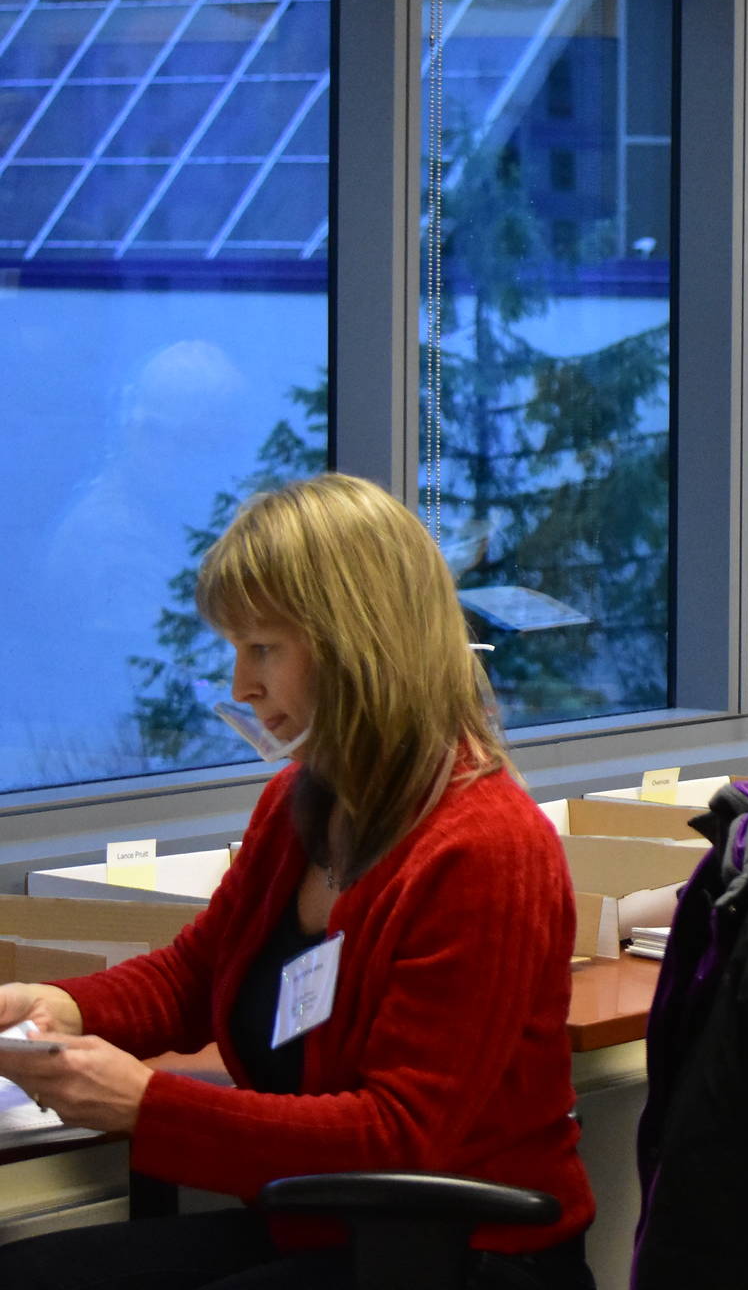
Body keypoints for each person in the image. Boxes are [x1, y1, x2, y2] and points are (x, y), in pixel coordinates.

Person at [0, 473, 595, 1290]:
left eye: (263, 649)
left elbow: (400, 1135)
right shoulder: (300, 802)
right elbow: (196, 973)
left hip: (463, 1257)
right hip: (321, 1231)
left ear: (358, 642)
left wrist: (148, 1104)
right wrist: (61, 1006)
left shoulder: (487, 847)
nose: (242, 686)